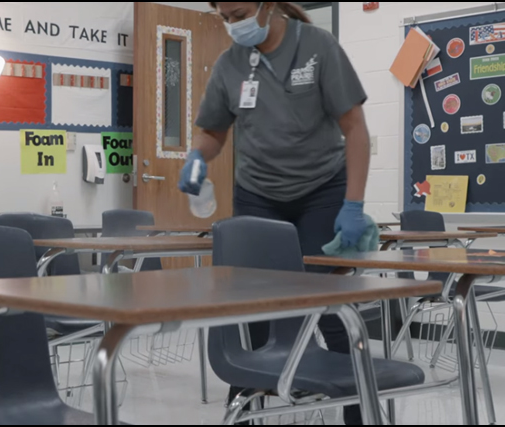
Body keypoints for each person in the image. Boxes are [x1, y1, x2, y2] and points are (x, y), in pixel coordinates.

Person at [178, 2, 371, 425]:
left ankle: (364, 416)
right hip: (257, 196)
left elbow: (355, 127)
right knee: (253, 313)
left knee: (333, 309)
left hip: (322, 190)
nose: (234, 23)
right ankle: (243, 415)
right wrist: (198, 156)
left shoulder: (318, 46)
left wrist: (353, 204)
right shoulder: (230, 64)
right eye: (225, 17)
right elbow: (213, 129)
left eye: (240, 12)